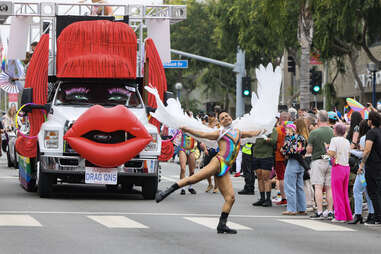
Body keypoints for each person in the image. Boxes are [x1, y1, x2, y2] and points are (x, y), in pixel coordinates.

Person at [155, 112, 263, 234]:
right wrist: (188, 130)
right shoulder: (220, 133)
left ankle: (222, 225)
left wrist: (264, 129)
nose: (226, 118)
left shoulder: (238, 132)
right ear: (220, 122)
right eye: (222, 118)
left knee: (230, 198)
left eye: (227, 116)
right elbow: (202, 134)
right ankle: (166, 192)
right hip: (218, 162)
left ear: (231, 117)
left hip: (225, 168)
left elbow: (253, 133)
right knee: (194, 178)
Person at [308, 110, 334, 219]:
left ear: (318, 120)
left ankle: (319, 211)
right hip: (330, 159)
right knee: (329, 187)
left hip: (318, 160)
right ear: (327, 119)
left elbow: (309, 150)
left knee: (318, 187)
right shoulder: (333, 131)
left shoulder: (314, 132)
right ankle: (330, 210)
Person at [348, 120, 375, 224]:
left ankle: (358, 214)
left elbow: (363, 154)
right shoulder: (372, 136)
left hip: (362, 170)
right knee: (368, 192)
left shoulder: (364, 138)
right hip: (370, 168)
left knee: (357, 190)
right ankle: (371, 214)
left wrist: (350, 151)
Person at [358, 111, 381, 225]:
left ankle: (378, 216)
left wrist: (362, 164)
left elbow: (367, 150)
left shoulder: (371, 133)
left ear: (370, 121)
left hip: (373, 165)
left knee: (373, 192)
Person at [327, 123, 352, 222]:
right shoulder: (347, 141)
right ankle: (347, 215)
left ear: (336, 131)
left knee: (337, 193)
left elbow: (332, 153)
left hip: (338, 167)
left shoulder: (334, 140)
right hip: (346, 167)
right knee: (344, 193)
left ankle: (340, 216)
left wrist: (327, 149)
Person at [281, 121, 307, 215]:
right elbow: (301, 150)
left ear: (291, 129)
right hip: (301, 163)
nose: (286, 131)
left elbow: (286, 150)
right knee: (299, 187)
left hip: (292, 162)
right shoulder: (302, 138)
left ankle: (291, 209)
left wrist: (284, 150)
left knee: (289, 186)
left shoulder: (291, 138)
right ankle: (302, 208)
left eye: (287, 129)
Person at [252, 127, 278, 207]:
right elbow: (251, 140)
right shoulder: (256, 128)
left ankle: (268, 199)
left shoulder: (272, 129)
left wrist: (265, 137)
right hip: (256, 155)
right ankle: (262, 198)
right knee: (259, 178)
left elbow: (274, 141)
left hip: (266, 156)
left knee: (266, 178)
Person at [177, 114, 198, 195]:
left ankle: (190, 187)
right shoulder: (181, 126)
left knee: (192, 171)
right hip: (183, 149)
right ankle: (182, 187)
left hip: (192, 150)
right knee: (183, 169)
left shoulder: (194, 127)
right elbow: (176, 133)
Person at [273, 112, 290, 205]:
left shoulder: (277, 130)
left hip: (279, 157)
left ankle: (284, 198)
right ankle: (291, 197)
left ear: (279, 119)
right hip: (291, 157)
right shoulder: (293, 129)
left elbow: (273, 143)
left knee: (281, 178)